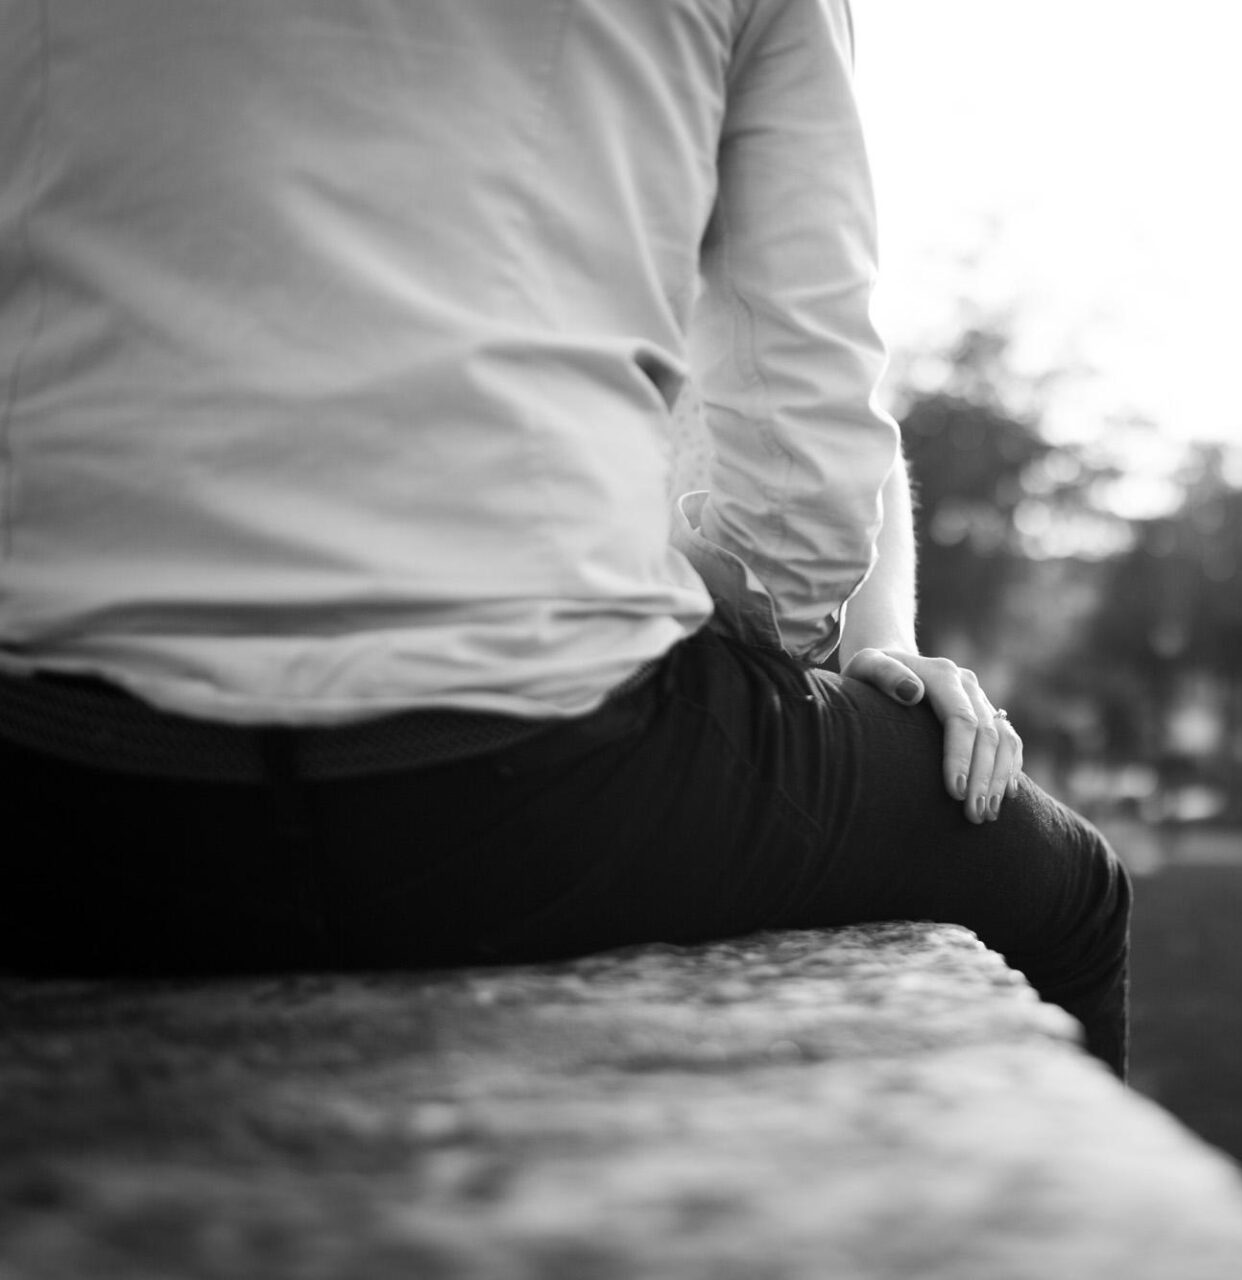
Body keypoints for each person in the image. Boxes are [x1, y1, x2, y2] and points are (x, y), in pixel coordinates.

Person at [0, 0, 1129, 1076]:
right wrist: (788, 645)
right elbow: (804, 439)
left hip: (64, 784)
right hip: (524, 780)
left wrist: (881, 624)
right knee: (1068, 887)